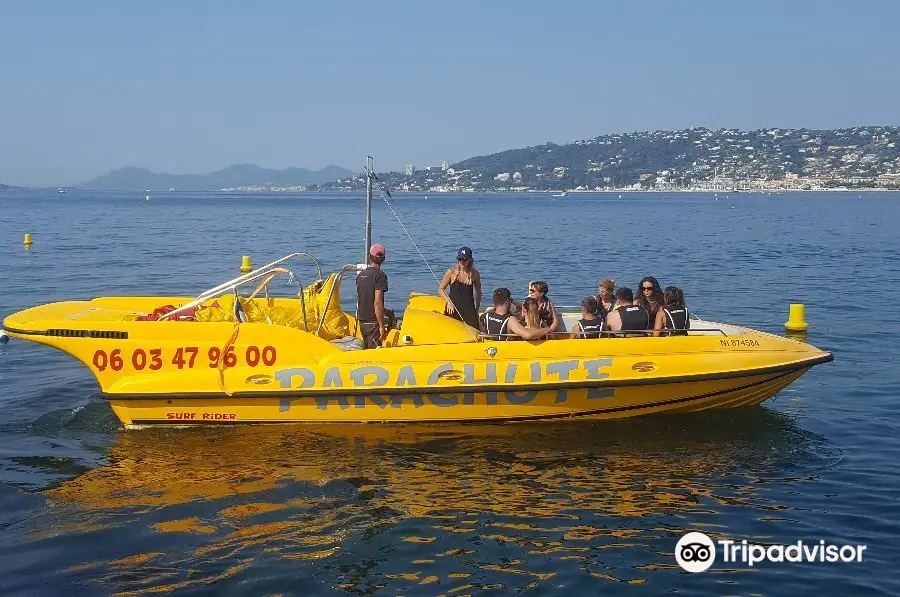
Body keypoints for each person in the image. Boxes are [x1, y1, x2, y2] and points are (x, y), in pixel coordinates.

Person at [484, 288, 555, 341]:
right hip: (506, 351)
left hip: (491, 346)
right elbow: (528, 335)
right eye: (510, 301)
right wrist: (547, 330)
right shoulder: (510, 320)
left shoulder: (486, 315)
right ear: (507, 301)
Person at [438, 246, 482, 329]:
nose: (462, 262)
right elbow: (440, 289)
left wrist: (477, 309)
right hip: (453, 308)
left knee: (475, 331)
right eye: (460, 259)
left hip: (469, 309)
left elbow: (478, 292)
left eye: (464, 260)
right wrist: (449, 301)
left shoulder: (475, 274)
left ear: (470, 260)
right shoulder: (451, 273)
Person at [356, 243, 388, 348]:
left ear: (370, 257)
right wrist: (382, 326)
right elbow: (377, 302)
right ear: (383, 259)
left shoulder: (360, 275)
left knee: (366, 347)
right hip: (373, 321)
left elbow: (364, 298)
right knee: (373, 352)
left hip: (361, 319)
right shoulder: (380, 276)